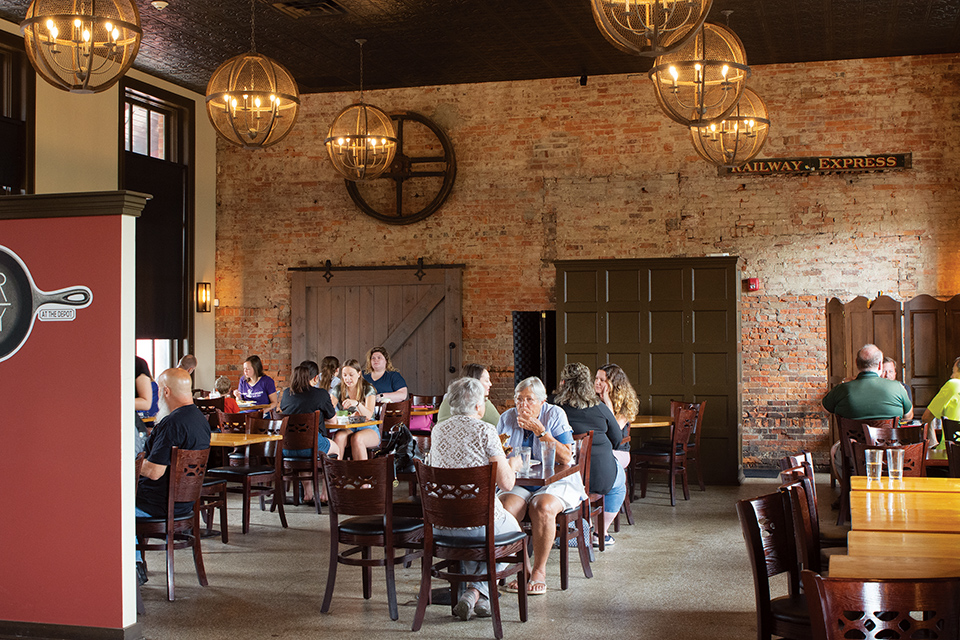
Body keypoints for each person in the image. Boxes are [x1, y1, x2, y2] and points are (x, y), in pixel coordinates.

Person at [429, 377, 523, 620]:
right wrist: (512, 464)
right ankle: (476, 592)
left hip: (443, 526)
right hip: (479, 526)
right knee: (514, 534)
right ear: (479, 407)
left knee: (481, 533)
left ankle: (476, 600)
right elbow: (507, 483)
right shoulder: (486, 430)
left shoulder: (437, 430)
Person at [498, 377, 584, 596]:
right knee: (506, 506)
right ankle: (524, 568)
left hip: (557, 480)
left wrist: (541, 432)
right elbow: (499, 453)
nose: (523, 406)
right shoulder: (507, 417)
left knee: (542, 507)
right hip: (522, 481)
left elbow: (567, 457)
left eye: (529, 400)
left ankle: (539, 571)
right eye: (519, 400)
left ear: (542, 401)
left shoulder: (555, 414)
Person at [136, 368, 212, 582]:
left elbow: (154, 472)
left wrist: (130, 464)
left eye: (159, 390)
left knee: (114, 509)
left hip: (157, 506)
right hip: (184, 506)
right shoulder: (200, 421)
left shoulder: (172, 424)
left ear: (166, 392)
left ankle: (133, 566)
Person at [556, 363, 626, 548]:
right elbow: (618, 439)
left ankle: (565, 528)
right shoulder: (599, 408)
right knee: (619, 484)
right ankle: (599, 533)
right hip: (601, 477)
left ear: (563, 383)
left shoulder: (553, 407)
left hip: (563, 479)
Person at [279, 360, 340, 503]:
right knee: (336, 449)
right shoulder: (321, 394)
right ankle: (326, 493)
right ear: (315, 378)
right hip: (311, 446)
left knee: (301, 441)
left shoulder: (287, 393)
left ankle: (308, 493)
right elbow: (333, 421)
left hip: (287, 448)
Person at [822, 344, 913, 421]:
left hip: (853, 441)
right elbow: (908, 417)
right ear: (880, 365)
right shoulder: (898, 387)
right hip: (888, 441)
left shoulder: (842, 389)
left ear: (856, 363)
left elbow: (825, 409)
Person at [330, 359, 379, 460]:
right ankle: (336, 474)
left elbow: (369, 415)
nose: (347, 378)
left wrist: (357, 404)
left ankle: (362, 475)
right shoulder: (338, 389)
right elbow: (329, 407)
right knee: (339, 437)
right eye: (344, 375)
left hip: (369, 427)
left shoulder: (368, 388)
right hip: (349, 427)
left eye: (351, 375)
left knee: (357, 438)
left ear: (359, 374)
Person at [595, 363, 639, 469]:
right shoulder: (593, 401)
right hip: (598, 448)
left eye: (602, 380)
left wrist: (608, 402)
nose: (597, 383)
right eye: (596, 379)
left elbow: (613, 429)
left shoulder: (625, 405)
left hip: (618, 451)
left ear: (613, 383)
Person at [922, 356, 960, 448]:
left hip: (950, 453)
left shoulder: (953, 384)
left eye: (953, 372)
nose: (951, 376)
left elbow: (926, 417)